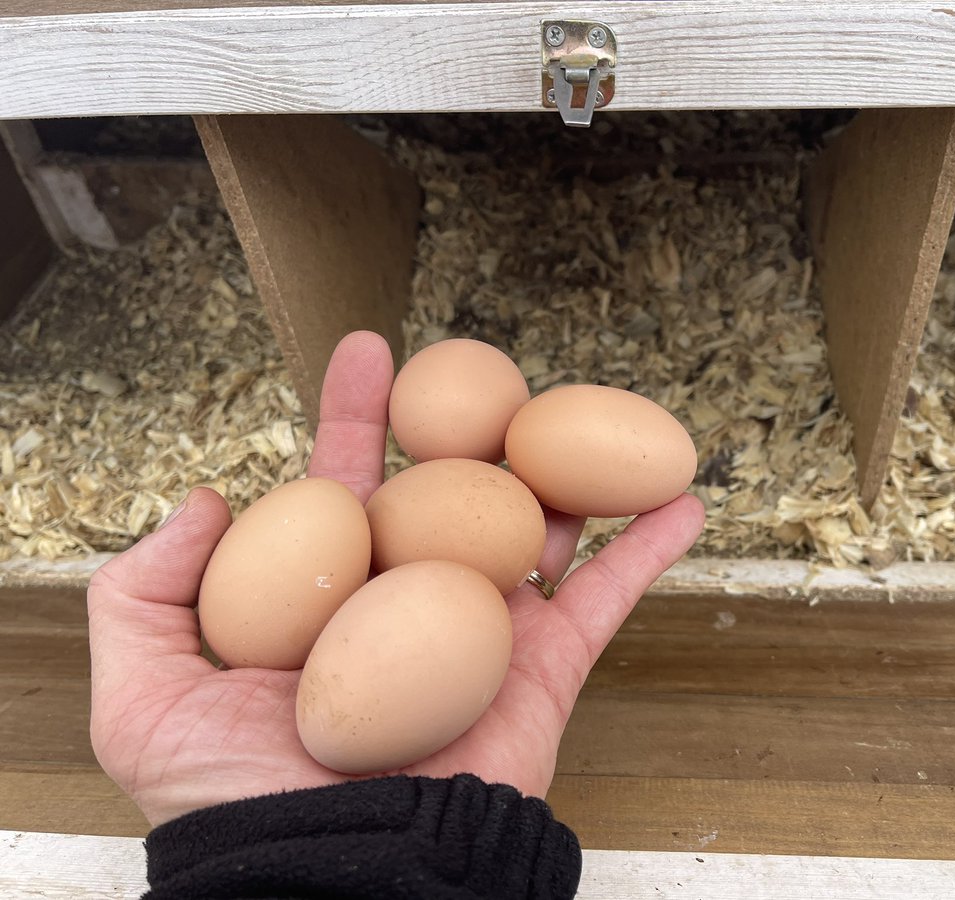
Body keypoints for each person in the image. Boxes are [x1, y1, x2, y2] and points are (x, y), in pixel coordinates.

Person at [87, 331, 706, 899]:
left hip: (253, 824)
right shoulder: (442, 558)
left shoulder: (469, 543)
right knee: (384, 538)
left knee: (422, 546)